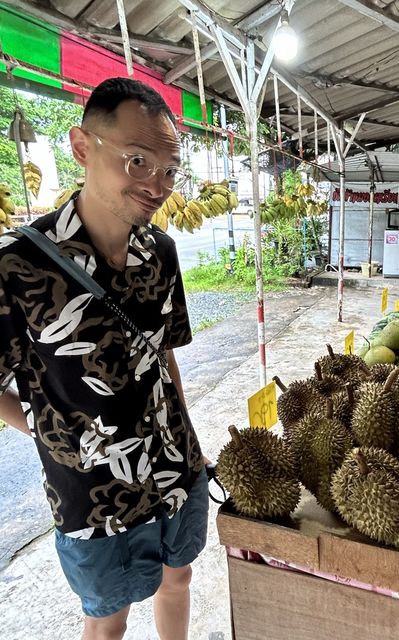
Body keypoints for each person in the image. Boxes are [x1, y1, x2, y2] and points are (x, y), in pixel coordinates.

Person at [0, 77, 208, 640]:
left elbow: (165, 355)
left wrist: (189, 440)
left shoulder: (161, 252)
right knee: (108, 615)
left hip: (175, 467)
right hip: (91, 492)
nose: (156, 184)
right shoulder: (16, 266)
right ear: (81, 145)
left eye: (168, 169)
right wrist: (56, 434)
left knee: (179, 576)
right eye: (137, 160)